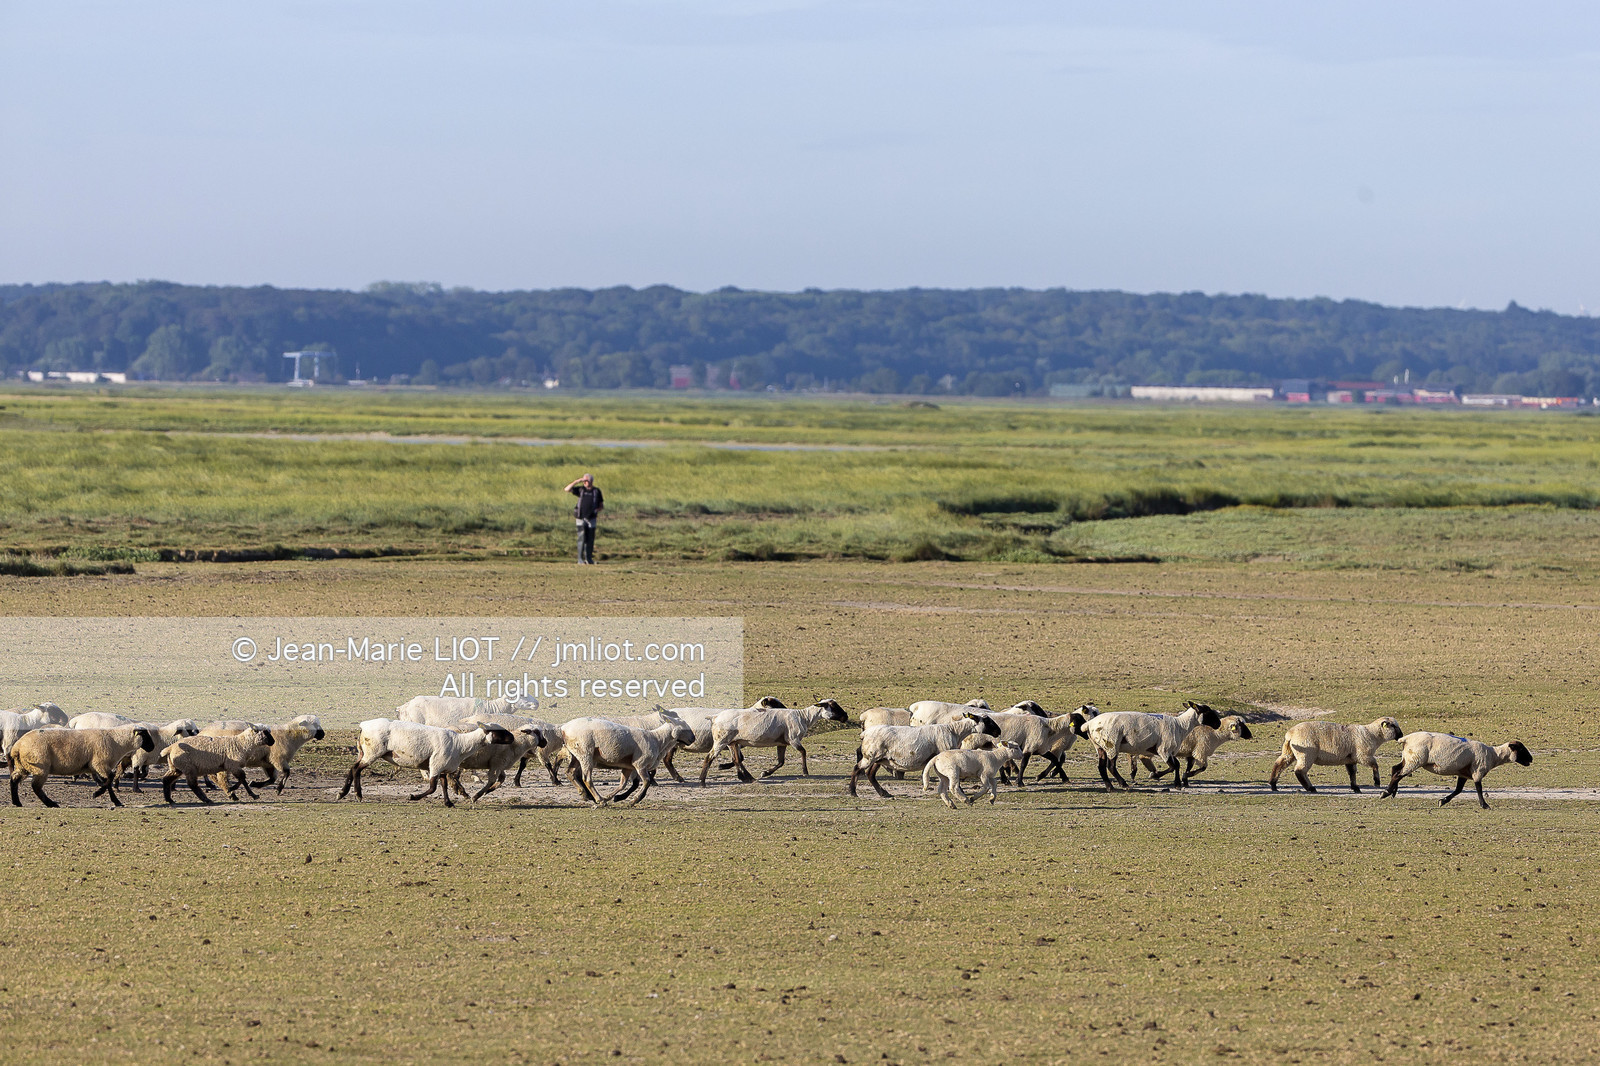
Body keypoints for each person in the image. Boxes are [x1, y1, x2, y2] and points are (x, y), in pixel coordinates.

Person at [564, 473, 604, 564]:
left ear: (591, 481)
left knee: (590, 539)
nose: (585, 482)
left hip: (592, 519)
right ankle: (580, 559)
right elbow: (567, 489)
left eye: (587, 481)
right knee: (581, 538)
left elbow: (601, 505)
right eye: (584, 481)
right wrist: (577, 481)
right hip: (580, 518)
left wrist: (596, 510)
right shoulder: (580, 490)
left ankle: (589, 559)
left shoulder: (596, 491)